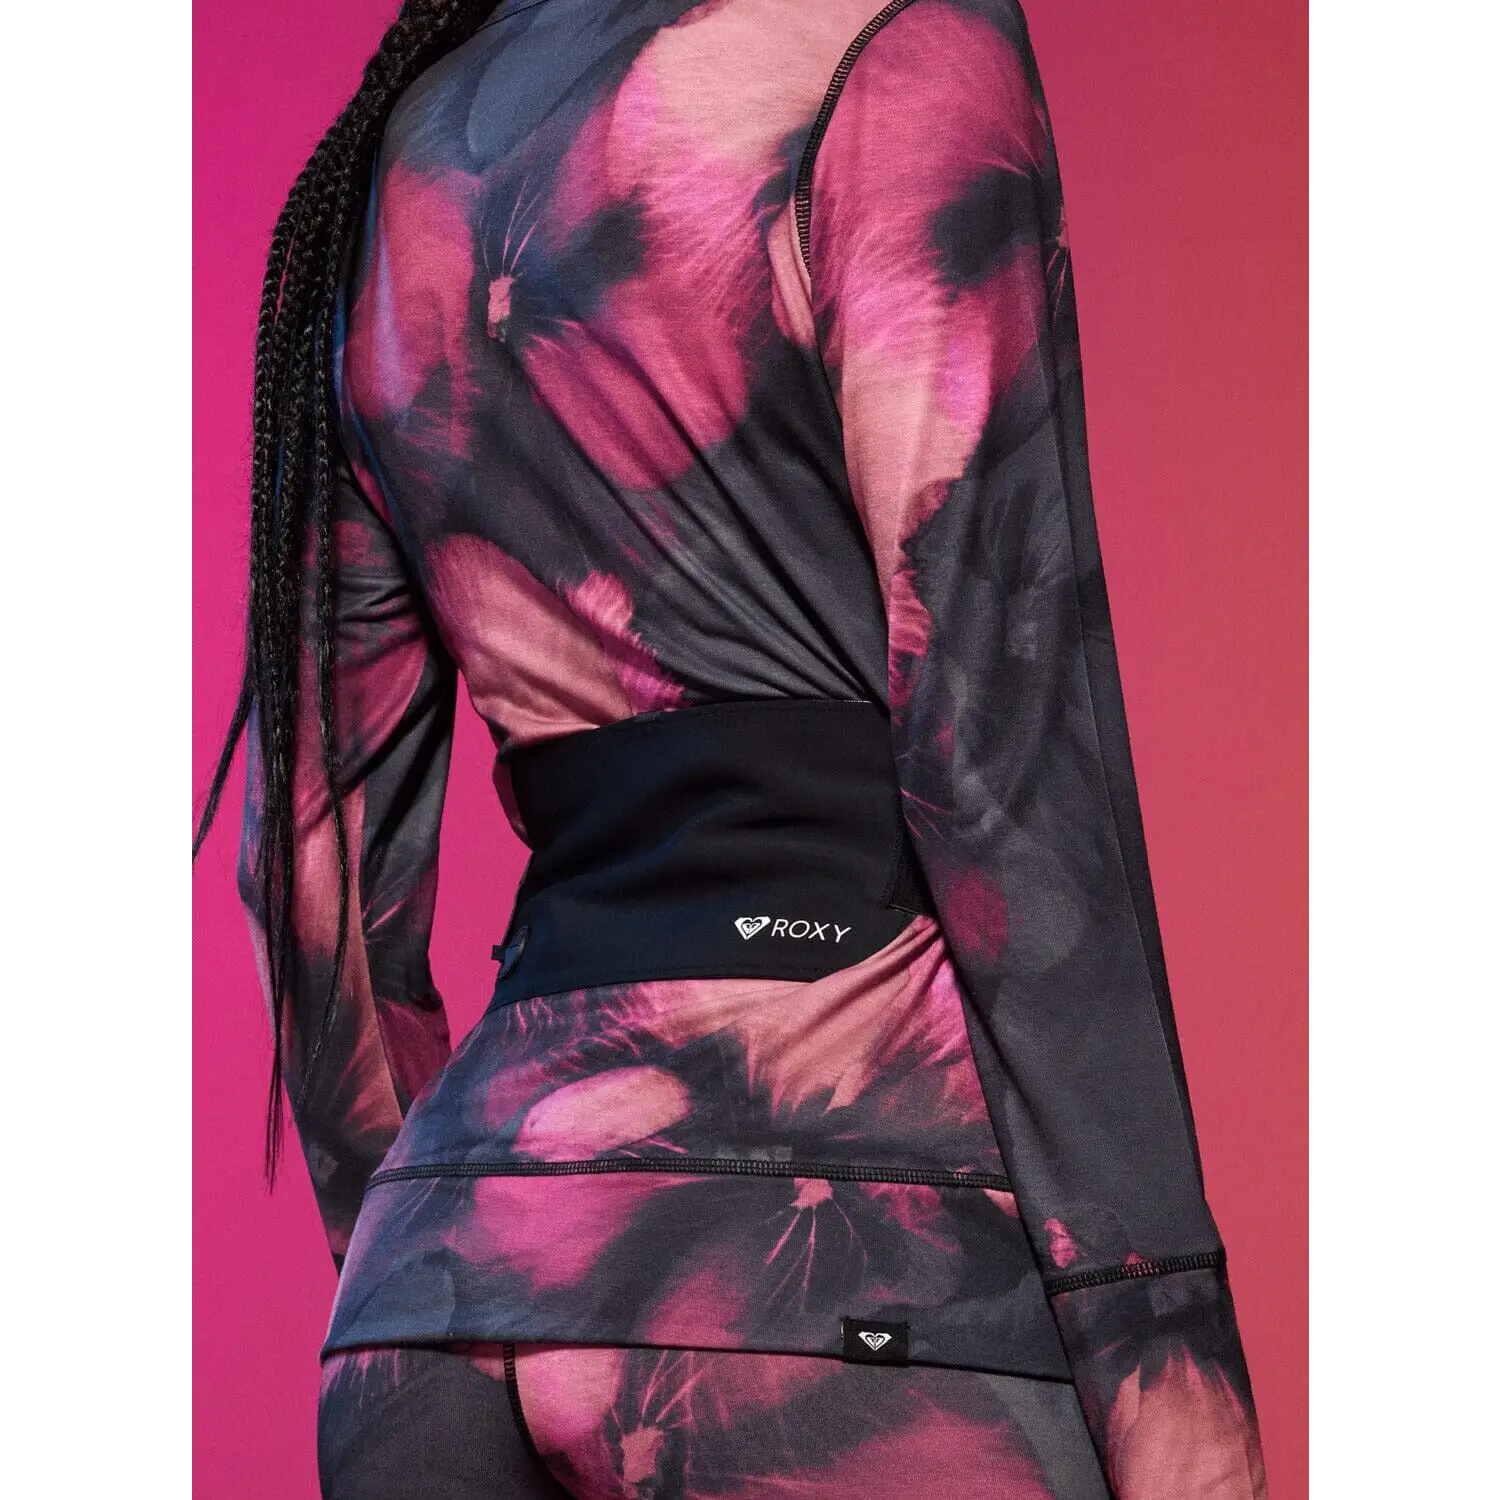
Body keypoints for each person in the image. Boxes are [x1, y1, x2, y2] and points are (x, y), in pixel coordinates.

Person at [194, 1, 1270, 1495]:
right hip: (837, 1279)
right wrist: (1163, 1347)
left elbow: (305, 867)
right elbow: (1008, 760)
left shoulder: (401, 161)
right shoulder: (889, 44)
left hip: (437, 1310)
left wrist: (464, 1245)